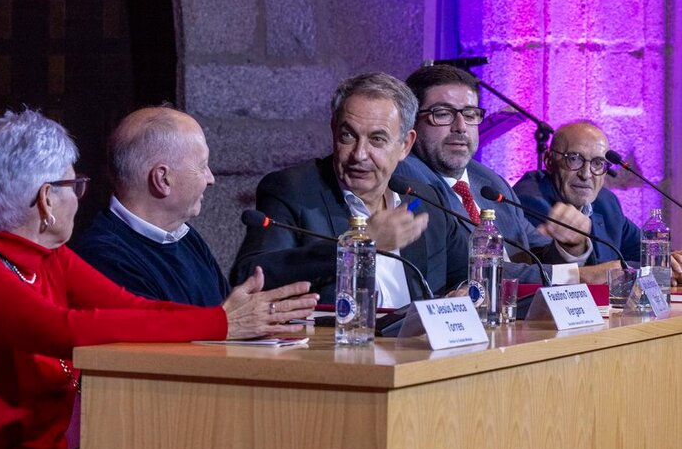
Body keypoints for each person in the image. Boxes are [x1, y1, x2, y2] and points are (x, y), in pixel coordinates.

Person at [0, 109, 317, 449]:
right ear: (47, 199)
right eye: (74, 185)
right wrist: (222, 322)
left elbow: (134, 307)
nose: (80, 198)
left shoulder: (53, 259)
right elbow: (64, 330)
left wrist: (229, 322)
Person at [232, 72, 467, 306]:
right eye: (348, 136)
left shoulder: (423, 200)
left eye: (377, 139)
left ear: (405, 145)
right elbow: (250, 277)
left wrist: (470, 292)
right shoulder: (293, 191)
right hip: (335, 341)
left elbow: (473, 272)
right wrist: (360, 244)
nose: (359, 154)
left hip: (414, 343)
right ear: (333, 130)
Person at [397, 64, 617, 285]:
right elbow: (470, 269)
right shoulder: (408, 177)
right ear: (412, 123)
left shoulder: (492, 183)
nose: (461, 127)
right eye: (443, 114)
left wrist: (571, 246)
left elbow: (536, 253)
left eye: (470, 114)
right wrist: (577, 276)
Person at [72, 106, 229, 306]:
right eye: (202, 166)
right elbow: (161, 334)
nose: (211, 179)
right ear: (163, 179)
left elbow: (229, 316)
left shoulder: (186, 237)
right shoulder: (105, 256)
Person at [514, 121, 642, 273]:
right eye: (574, 158)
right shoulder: (529, 201)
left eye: (598, 163)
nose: (586, 174)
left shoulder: (607, 202)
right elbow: (552, 273)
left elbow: (644, 254)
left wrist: (669, 261)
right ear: (549, 161)